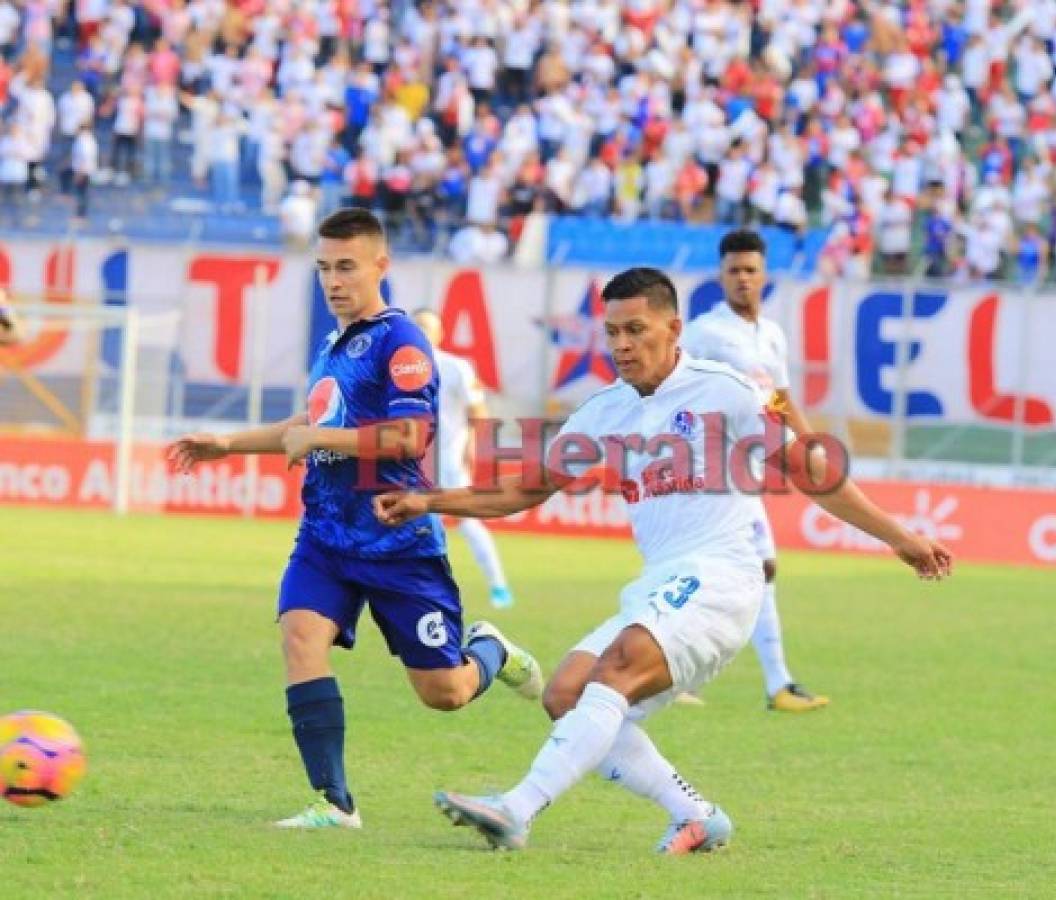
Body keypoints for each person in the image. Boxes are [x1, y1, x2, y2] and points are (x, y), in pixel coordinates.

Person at [375, 267, 952, 853]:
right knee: (566, 694)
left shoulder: (724, 391)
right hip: (662, 582)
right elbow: (525, 489)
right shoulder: (604, 413)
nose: (622, 345)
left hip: (723, 578)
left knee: (617, 666)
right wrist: (428, 499)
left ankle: (516, 809)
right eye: (613, 332)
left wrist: (897, 535)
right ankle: (696, 815)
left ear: (674, 328)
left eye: (636, 330)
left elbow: (810, 470)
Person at [166, 209, 542, 830]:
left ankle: (492, 650)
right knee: (299, 636)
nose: (333, 281)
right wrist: (227, 445)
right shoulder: (332, 343)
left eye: (346, 266)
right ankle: (335, 802)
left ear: (380, 266)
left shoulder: (403, 343)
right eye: (323, 268)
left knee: (443, 693)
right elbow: (305, 425)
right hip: (326, 534)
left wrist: (319, 438)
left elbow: (407, 436)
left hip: (396, 539)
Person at [679, 230, 827, 713]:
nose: (742, 279)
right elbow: (673, 385)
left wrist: (809, 446)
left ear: (764, 276)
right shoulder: (705, 332)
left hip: (744, 466)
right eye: (733, 271)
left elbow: (780, 397)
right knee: (739, 567)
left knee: (748, 568)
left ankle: (765, 683)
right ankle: (770, 683)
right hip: (708, 466)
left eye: (750, 270)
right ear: (721, 276)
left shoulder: (772, 334)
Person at [411, 307, 515, 608]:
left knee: (468, 523)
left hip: (447, 463)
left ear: (440, 333)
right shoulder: (396, 369)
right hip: (409, 463)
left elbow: (478, 414)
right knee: (405, 525)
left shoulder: (456, 368)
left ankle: (498, 586)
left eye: (428, 327)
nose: (423, 333)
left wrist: (469, 443)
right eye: (418, 326)